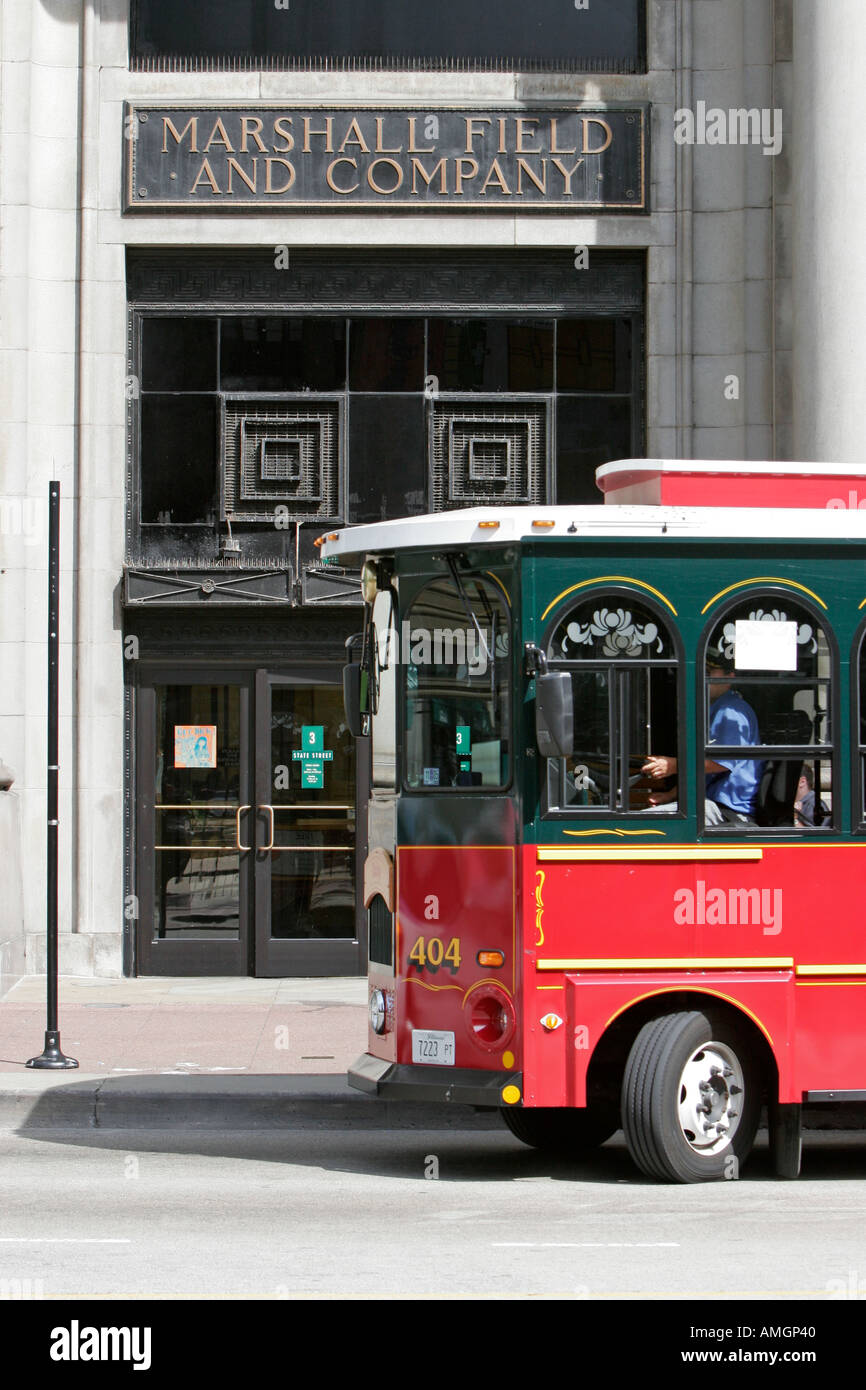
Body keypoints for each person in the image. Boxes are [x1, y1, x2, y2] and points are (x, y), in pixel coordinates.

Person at [641, 650, 764, 824]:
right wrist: (669, 795)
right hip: (712, 803)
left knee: (642, 824)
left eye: (708, 673)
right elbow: (701, 772)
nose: (702, 678)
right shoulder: (715, 709)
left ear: (729, 677)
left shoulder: (731, 712)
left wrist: (673, 765)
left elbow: (722, 762)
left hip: (727, 809)